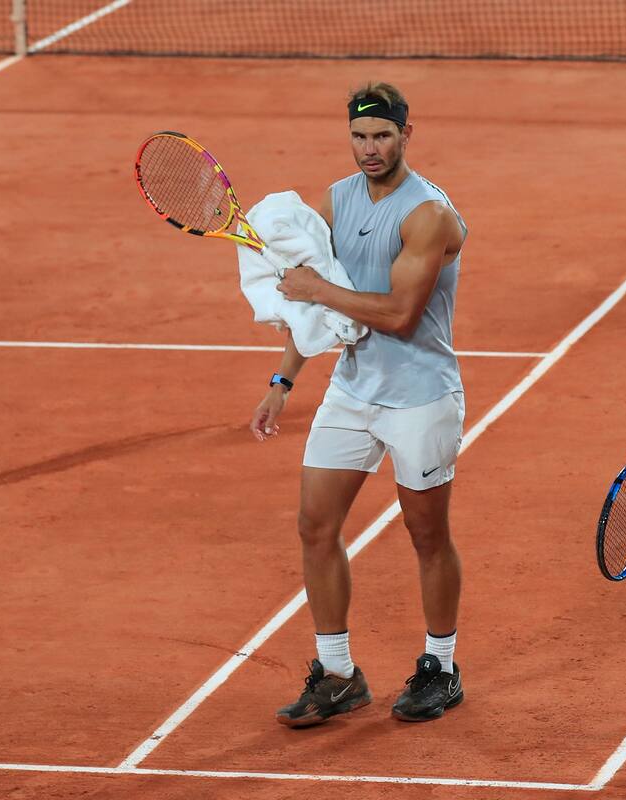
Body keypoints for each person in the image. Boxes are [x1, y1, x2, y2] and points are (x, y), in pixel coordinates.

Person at [251, 81, 467, 725]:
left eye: (381, 135)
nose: (369, 148)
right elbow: (312, 303)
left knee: (426, 534)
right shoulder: (336, 201)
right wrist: (283, 380)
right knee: (315, 526)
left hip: (420, 396)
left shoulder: (428, 215)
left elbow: (399, 315)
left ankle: (442, 666)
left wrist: (316, 287)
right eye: (359, 136)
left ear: (406, 134)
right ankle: (339, 671)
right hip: (351, 389)